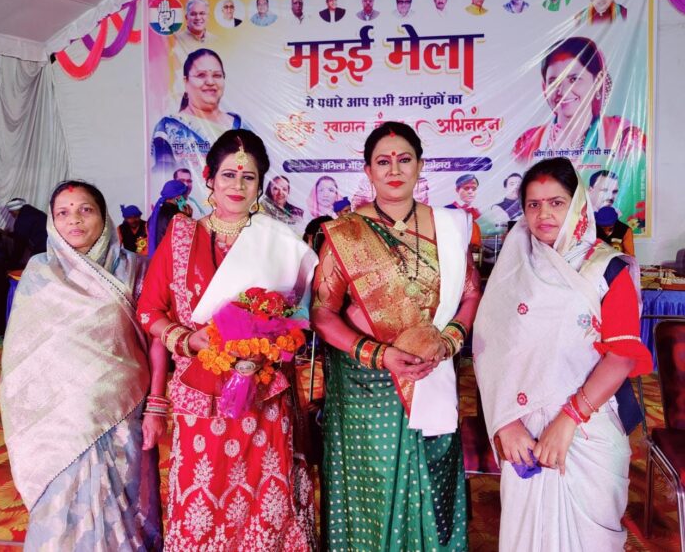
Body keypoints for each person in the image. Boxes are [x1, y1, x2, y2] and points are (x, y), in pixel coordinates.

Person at [136, 129, 318, 549]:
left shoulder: (278, 241)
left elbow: (300, 315)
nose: (238, 185)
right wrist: (187, 340)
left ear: (260, 184)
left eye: (248, 177)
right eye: (229, 175)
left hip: (264, 398)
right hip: (199, 397)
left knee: (265, 504)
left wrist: (273, 343)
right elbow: (150, 311)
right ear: (209, 178)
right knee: (204, 500)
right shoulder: (181, 236)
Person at [311, 121, 481, 551]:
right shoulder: (345, 232)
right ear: (368, 171)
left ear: (420, 166)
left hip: (433, 376)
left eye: (404, 159)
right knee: (374, 491)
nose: (394, 169)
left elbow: (471, 293)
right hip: (367, 388)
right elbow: (322, 313)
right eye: (383, 161)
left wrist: (449, 341)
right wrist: (378, 355)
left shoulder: (448, 227)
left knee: (434, 487)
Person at [473, 157, 652, 551]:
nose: (544, 214)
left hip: (588, 425)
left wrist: (568, 419)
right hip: (522, 425)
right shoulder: (513, 270)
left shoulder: (607, 269)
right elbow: (490, 348)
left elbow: (621, 357)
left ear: (577, 205)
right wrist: (506, 422)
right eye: (533, 204)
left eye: (556, 203)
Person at [0, 180, 163, 550]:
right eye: (63, 212)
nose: (74, 219)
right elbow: (22, 353)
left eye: (85, 210)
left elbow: (155, 336)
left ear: (103, 217)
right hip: (59, 417)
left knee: (125, 498)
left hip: (123, 406)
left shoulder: (135, 269)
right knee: (64, 501)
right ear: (52, 221)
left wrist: (157, 402)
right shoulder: (39, 273)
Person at [512, 36, 646, 163]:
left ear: (597, 81)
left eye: (574, 79)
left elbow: (636, 174)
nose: (563, 91)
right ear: (544, 87)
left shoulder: (624, 136)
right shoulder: (528, 143)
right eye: (553, 82)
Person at [151, 48, 243, 169]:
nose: (210, 82)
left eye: (217, 75)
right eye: (201, 75)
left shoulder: (242, 126)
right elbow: (164, 174)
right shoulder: (168, 127)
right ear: (186, 81)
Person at [148, 179, 192, 256]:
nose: (186, 198)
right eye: (185, 195)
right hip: (170, 256)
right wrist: (188, 218)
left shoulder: (156, 212)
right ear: (178, 197)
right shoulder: (177, 214)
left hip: (158, 256)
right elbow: (185, 238)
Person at [5, 197, 47, 268]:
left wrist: (11, 264)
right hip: (53, 244)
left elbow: (19, 246)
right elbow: (23, 233)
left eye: (11, 212)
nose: (11, 214)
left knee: (36, 268)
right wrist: (8, 234)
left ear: (14, 211)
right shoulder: (33, 212)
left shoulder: (21, 220)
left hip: (42, 248)